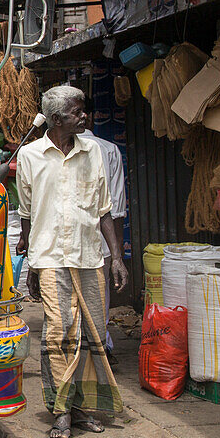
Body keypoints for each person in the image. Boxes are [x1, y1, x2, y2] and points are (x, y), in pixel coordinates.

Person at [16, 86, 127, 438]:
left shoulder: (92, 150)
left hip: (88, 257)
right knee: (57, 335)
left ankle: (80, 408)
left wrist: (117, 258)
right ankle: (60, 412)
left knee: (89, 334)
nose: (85, 116)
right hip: (50, 258)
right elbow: (28, 214)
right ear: (57, 119)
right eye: (78, 112)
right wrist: (31, 264)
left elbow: (104, 209)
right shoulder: (31, 156)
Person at [78, 114, 127, 360]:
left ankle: (84, 351)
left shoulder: (47, 151)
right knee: (100, 297)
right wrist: (117, 254)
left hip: (69, 244)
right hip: (100, 243)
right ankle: (100, 347)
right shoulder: (109, 150)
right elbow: (116, 210)